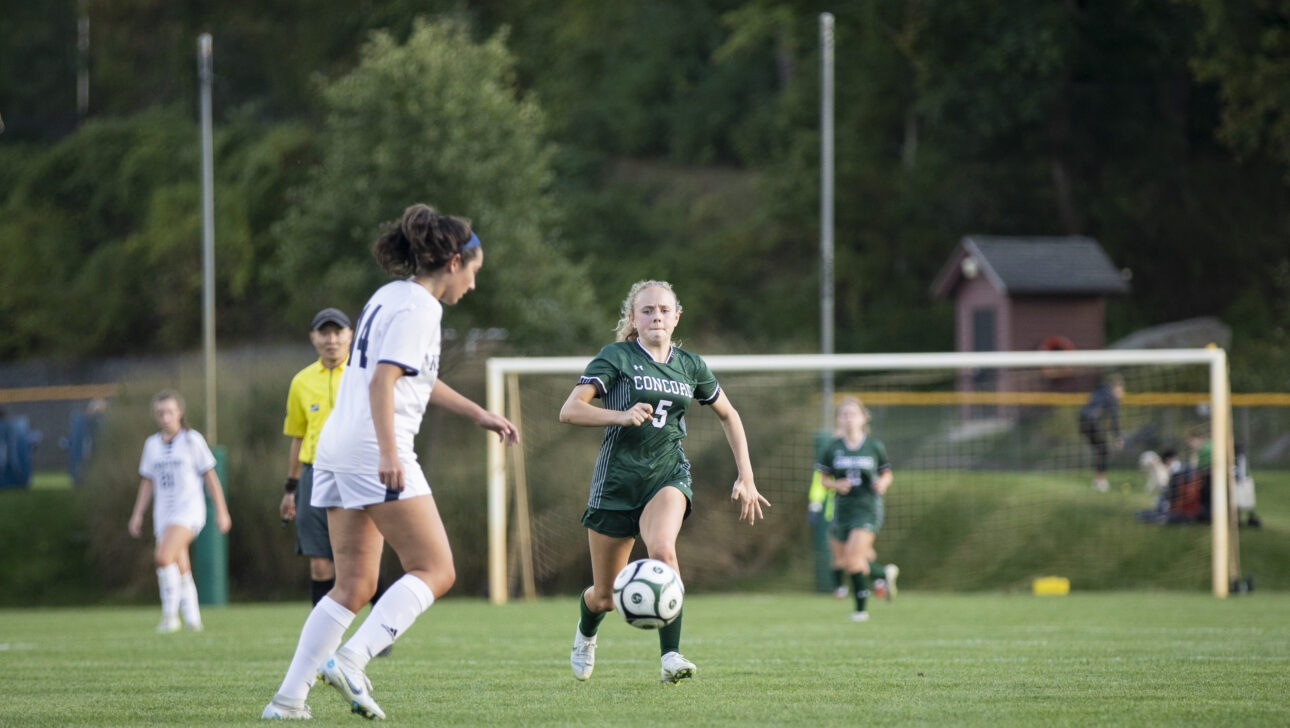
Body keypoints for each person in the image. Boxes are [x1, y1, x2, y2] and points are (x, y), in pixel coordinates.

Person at [262, 203, 518, 721]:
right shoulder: (422, 309)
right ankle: (353, 659)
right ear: (453, 263)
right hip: (370, 447)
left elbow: (411, 378)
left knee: (353, 584)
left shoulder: (389, 296)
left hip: (335, 447)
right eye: (474, 273)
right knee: (437, 568)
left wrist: (478, 413)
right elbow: (383, 381)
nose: (473, 284)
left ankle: (287, 700)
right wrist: (388, 452)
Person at [559, 280, 769, 685]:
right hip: (616, 485)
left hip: (667, 474)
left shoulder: (690, 365)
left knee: (663, 551)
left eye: (663, 310)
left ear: (676, 317)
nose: (656, 316)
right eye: (647, 310)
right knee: (604, 596)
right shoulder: (616, 357)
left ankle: (671, 655)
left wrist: (746, 473)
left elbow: (729, 414)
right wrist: (618, 415)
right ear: (633, 320)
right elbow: (570, 410)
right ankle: (586, 634)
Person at [128, 390, 232, 632]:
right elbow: (147, 481)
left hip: (188, 511)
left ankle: (169, 617)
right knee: (180, 564)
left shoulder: (192, 440)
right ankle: (193, 619)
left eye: (170, 412)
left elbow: (211, 477)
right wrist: (137, 513)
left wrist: (222, 511)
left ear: (179, 413)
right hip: (163, 512)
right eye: (160, 413)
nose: (165, 417)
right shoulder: (151, 444)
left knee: (162, 557)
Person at [279, 307, 358, 606]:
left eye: (338, 332)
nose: (332, 340)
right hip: (314, 474)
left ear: (350, 335)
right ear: (313, 338)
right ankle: (322, 639)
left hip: (355, 471)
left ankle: (381, 627)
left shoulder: (363, 374)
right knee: (319, 563)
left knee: (357, 561)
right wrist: (290, 488)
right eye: (325, 333)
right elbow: (298, 437)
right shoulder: (301, 381)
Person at [814, 396, 897, 622]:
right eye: (844, 415)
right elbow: (823, 479)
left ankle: (861, 609)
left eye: (853, 414)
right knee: (846, 560)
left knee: (852, 559)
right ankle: (883, 574)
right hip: (843, 510)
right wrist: (836, 484)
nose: (848, 419)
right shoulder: (832, 447)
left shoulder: (874, 446)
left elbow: (886, 473)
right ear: (838, 420)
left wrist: (882, 483)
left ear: (863, 418)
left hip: (867, 508)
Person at [1079, 373, 1124, 492]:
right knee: (1104, 451)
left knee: (1100, 450)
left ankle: (1098, 479)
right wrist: (1118, 437)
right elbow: (1114, 419)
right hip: (1092, 422)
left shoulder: (1099, 390)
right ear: (1116, 387)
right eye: (1121, 389)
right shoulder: (1112, 396)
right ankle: (1100, 481)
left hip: (1082, 422)